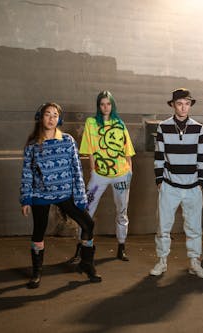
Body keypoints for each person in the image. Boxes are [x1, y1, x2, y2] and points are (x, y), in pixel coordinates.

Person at [19, 102, 101, 289]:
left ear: (59, 119)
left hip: (65, 193)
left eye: (55, 115)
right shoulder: (32, 145)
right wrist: (26, 198)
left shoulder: (68, 140)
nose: (51, 118)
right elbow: (27, 173)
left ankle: (87, 264)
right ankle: (37, 271)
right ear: (40, 117)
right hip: (41, 194)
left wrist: (80, 196)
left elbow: (76, 169)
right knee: (39, 231)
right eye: (47, 114)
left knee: (88, 224)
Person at [150, 88, 203, 278]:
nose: (183, 107)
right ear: (173, 105)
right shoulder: (163, 127)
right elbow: (159, 156)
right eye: (179, 103)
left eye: (187, 103)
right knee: (163, 226)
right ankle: (162, 261)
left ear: (190, 105)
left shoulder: (198, 128)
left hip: (193, 186)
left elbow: (202, 158)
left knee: (193, 227)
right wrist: (160, 180)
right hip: (169, 185)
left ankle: (194, 262)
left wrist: (200, 181)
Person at [75, 91, 136, 262]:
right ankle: (81, 246)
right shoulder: (91, 123)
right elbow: (89, 149)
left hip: (121, 174)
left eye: (108, 104)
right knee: (86, 209)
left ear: (112, 105)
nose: (105, 107)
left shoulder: (119, 123)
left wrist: (130, 171)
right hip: (99, 175)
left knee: (122, 211)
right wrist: (93, 169)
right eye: (102, 104)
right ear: (98, 106)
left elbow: (127, 150)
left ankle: (121, 246)